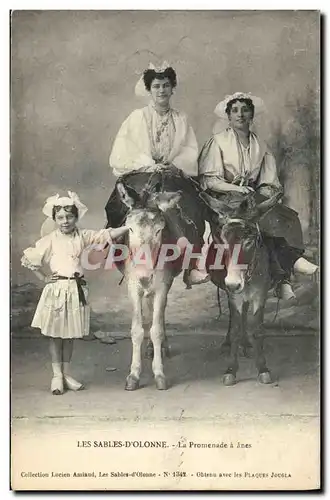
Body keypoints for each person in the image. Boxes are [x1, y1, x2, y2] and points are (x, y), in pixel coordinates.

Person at [198, 92, 318, 300]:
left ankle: (284, 276)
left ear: (252, 114)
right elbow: (210, 180)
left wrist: (263, 194)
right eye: (235, 110)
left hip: (251, 197)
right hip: (224, 197)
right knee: (239, 225)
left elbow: (269, 181)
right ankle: (204, 267)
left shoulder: (261, 146)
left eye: (245, 110)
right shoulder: (217, 142)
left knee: (284, 217)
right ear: (228, 116)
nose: (240, 115)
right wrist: (235, 189)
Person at [106, 62, 209, 287]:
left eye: (165, 85)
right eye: (156, 86)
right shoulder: (137, 117)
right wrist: (147, 164)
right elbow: (123, 151)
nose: (161, 90)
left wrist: (174, 165)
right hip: (141, 173)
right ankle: (118, 251)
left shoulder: (181, 119)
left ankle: (193, 262)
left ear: (172, 88)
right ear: (149, 90)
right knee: (117, 204)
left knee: (192, 204)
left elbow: (189, 149)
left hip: (172, 174)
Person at [21, 191, 128, 395]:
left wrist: (130, 226)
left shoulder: (82, 236)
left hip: (75, 289)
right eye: (60, 217)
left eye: (69, 217)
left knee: (69, 335)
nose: (65, 221)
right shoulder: (50, 239)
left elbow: (105, 234)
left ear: (76, 217)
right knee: (55, 335)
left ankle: (67, 374)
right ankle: (56, 376)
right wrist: (44, 278)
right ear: (54, 219)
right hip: (57, 290)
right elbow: (31, 258)